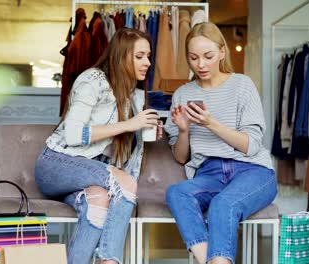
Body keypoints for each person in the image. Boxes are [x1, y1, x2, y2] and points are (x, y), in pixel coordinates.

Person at [35, 28, 160, 264]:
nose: (148, 62)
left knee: (98, 200)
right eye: (140, 56)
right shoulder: (93, 80)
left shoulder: (134, 95)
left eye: (149, 56)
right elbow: (73, 134)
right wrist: (128, 124)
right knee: (125, 184)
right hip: (57, 164)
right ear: (122, 56)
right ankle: (108, 260)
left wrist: (141, 132)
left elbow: (124, 154)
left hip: (90, 174)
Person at [164, 22, 277, 264]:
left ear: (222, 52)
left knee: (222, 204)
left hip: (253, 171)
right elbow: (180, 157)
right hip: (210, 173)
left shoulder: (242, 85)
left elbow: (251, 145)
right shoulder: (182, 94)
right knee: (177, 193)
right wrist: (184, 131)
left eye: (208, 56)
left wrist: (210, 123)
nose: (201, 64)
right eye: (193, 58)